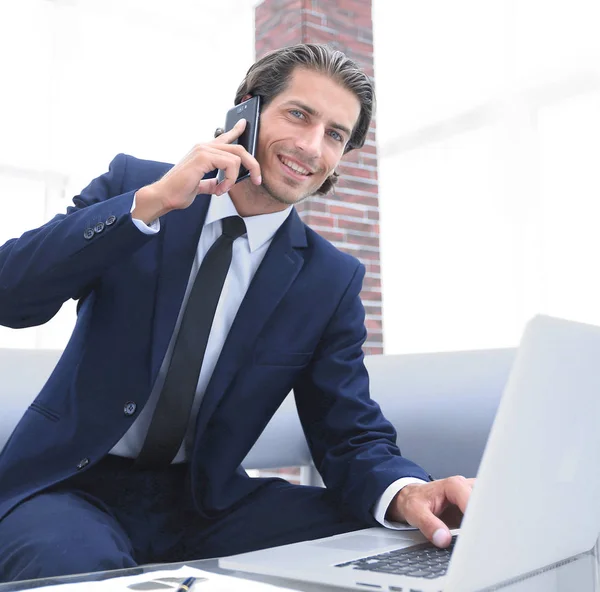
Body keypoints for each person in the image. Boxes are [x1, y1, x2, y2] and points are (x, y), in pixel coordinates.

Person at [0, 43, 473, 582]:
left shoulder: (329, 278)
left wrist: (409, 492)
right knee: (79, 565)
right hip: (68, 484)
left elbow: (348, 431)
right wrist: (152, 203)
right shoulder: (137, 188)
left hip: (204, 501)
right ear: (246, 109)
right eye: (298, 114)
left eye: (335, 134)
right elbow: (12, 296)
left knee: (388, 537)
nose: (311, 147)